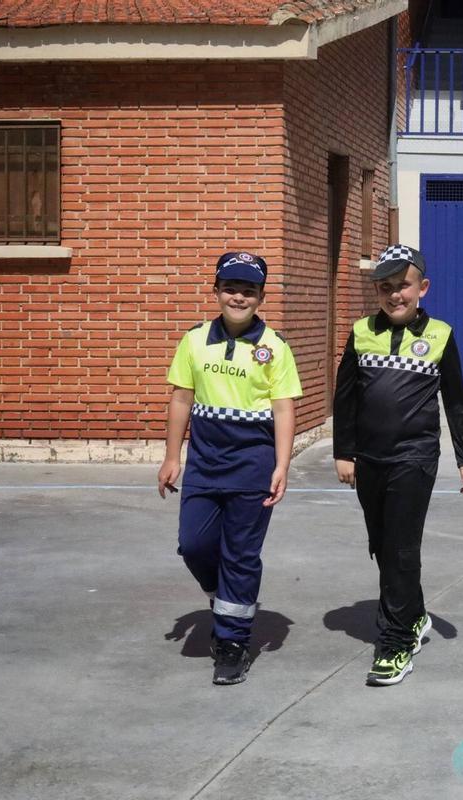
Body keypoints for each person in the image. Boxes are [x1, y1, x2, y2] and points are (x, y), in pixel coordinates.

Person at [333, 245, 463, 686]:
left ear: (422, 287)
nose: (395, 295)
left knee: (400, 546)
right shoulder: (360, 333)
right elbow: (346, 397)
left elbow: (455, 399)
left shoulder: (440, 334)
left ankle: (395, 642)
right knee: (381, 544)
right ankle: (414, 614)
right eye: (386, 287)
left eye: (404, 286)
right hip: (369, 459)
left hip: (414, 457)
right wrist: (345, 450)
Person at [158, 251, 302, 685]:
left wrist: (281, 465)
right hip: (205, 463)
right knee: (194, 545)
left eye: (248, 290)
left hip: (253, 465)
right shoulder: (195, 340)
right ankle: (223, 598)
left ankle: (233, 643)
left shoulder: (274, 347)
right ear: (216, 290)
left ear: (260, 296)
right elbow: (181, 399)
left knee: (240, 554)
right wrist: (171, 456)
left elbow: (283, 409)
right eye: (230, 288)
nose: (238, 297)